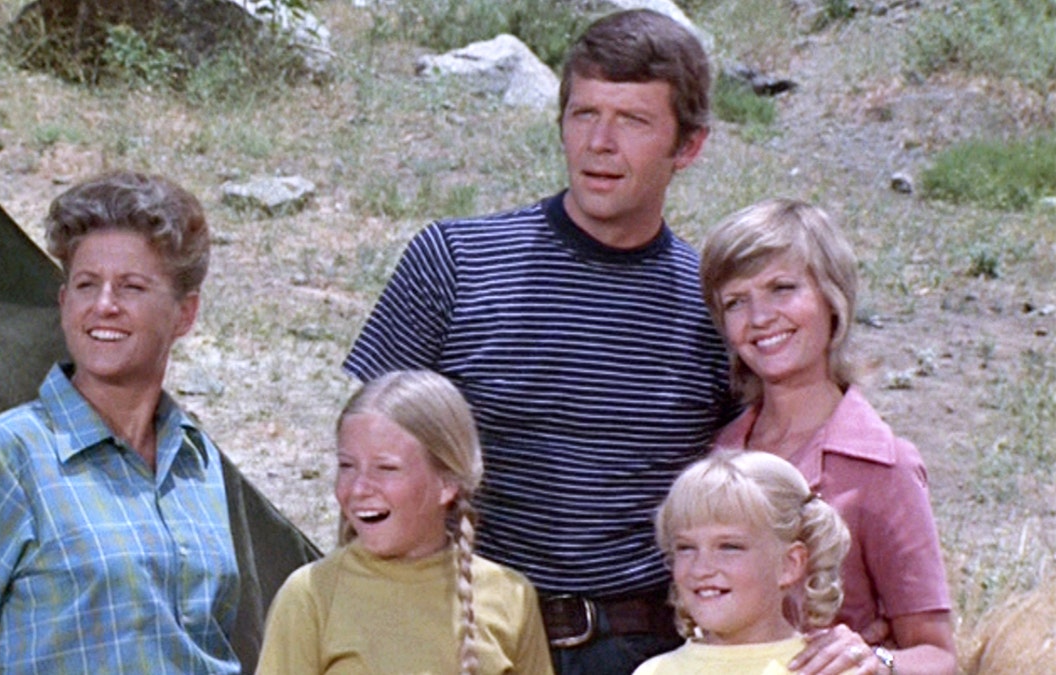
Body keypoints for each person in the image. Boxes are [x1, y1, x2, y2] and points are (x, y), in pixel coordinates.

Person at [342, 9, 735, 674]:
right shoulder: (455, 261)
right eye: (584, 114)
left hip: (644, 646)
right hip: (464, 631)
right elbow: (367, 469)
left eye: (633, 120)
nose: (599, 143)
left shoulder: (716, 307)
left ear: (688, 145)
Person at [0, 171, 242, 674]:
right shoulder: (9, 454)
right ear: (64, 306)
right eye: (86, 285)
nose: (104, 305)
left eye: (131, 286)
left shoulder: (197, 460)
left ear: (184, 315)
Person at [699, 198, 958, 675]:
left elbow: (938, 655)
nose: (760, 317)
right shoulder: (719, 457)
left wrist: (875, 661)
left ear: (831, 299)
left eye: (782, 289)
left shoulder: (883, 467)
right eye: (736, 301)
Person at [255, 370, 553, 675]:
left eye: (386, 468)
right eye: (347, 466)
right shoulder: (310, 596)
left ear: (447, 483)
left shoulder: (512, 597)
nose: (358, 488)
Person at [633, 450, 854, 675]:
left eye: (729, 547)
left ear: (789, 564)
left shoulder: (830, 668)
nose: (701, 569)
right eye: (686, 548)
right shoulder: (653, 671)